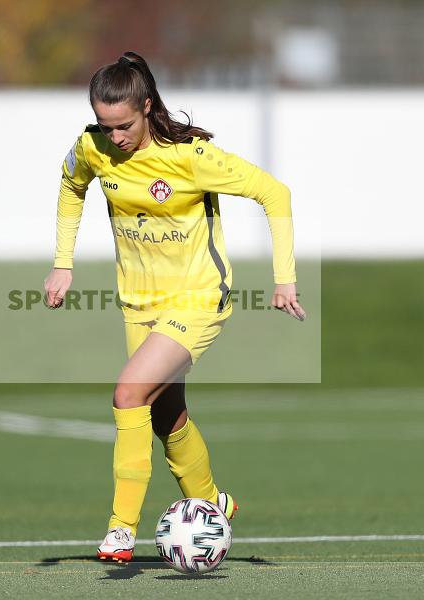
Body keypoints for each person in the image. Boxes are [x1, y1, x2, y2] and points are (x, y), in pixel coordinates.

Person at [44, 51, 305, 563]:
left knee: (128, 393)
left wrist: (284, 279)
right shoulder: (92, 147)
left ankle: (121, 529)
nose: (115, 137)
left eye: (123, 126)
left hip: (198, 297)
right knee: (167, 417)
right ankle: (212, 504)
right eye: (105, 126)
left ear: (146, 107)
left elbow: (275, 194)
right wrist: (62, 263)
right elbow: (71, 186)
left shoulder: (191, 157)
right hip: (138, 304)